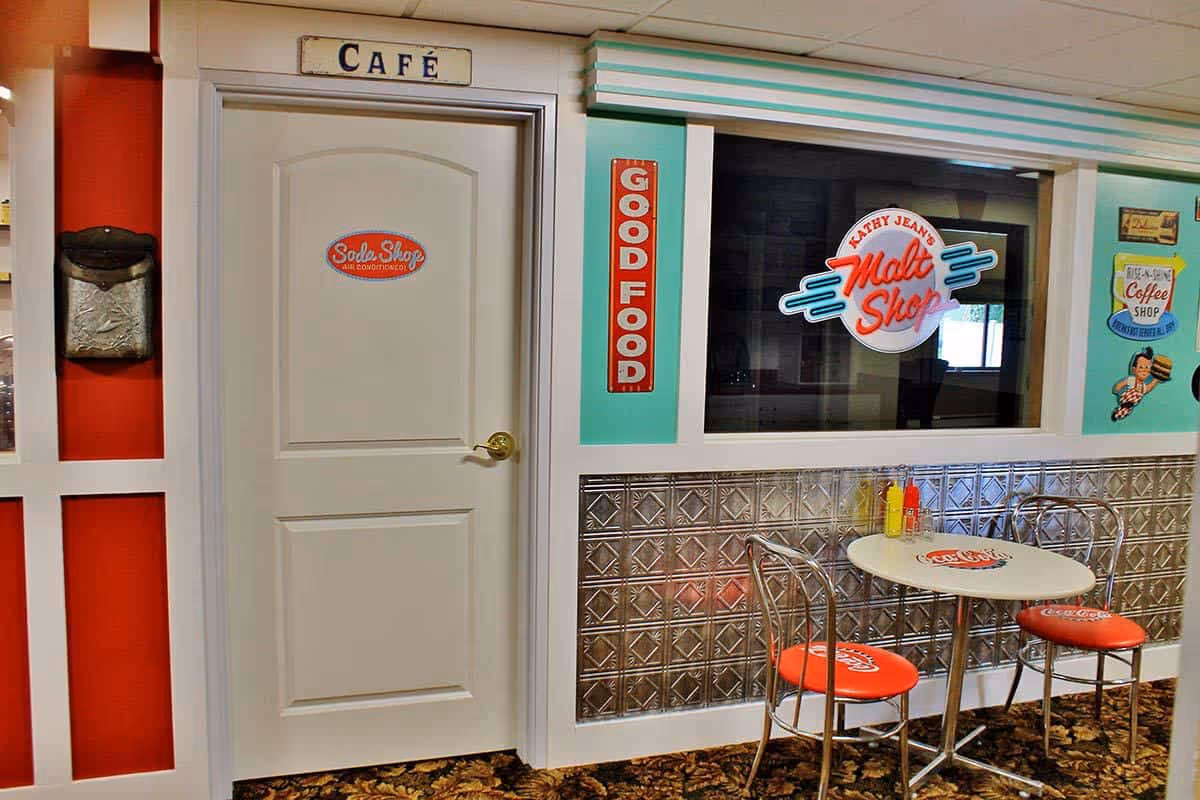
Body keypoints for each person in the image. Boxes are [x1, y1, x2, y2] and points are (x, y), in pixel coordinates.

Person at [1111, 347, 1159, 421]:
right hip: (1127, 398)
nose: (1144, 370)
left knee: (1128, 409)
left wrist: (1156, 380)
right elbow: (1117, 388)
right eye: (1140, 367)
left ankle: (1120, 412)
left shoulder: (1142, 386)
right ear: (1134, 369)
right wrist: (1117, 389)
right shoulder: (1132, 380)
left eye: (1147, 367)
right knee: (1128, 404)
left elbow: (1148, 388)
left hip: (1132, 402)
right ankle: (1121, 409)